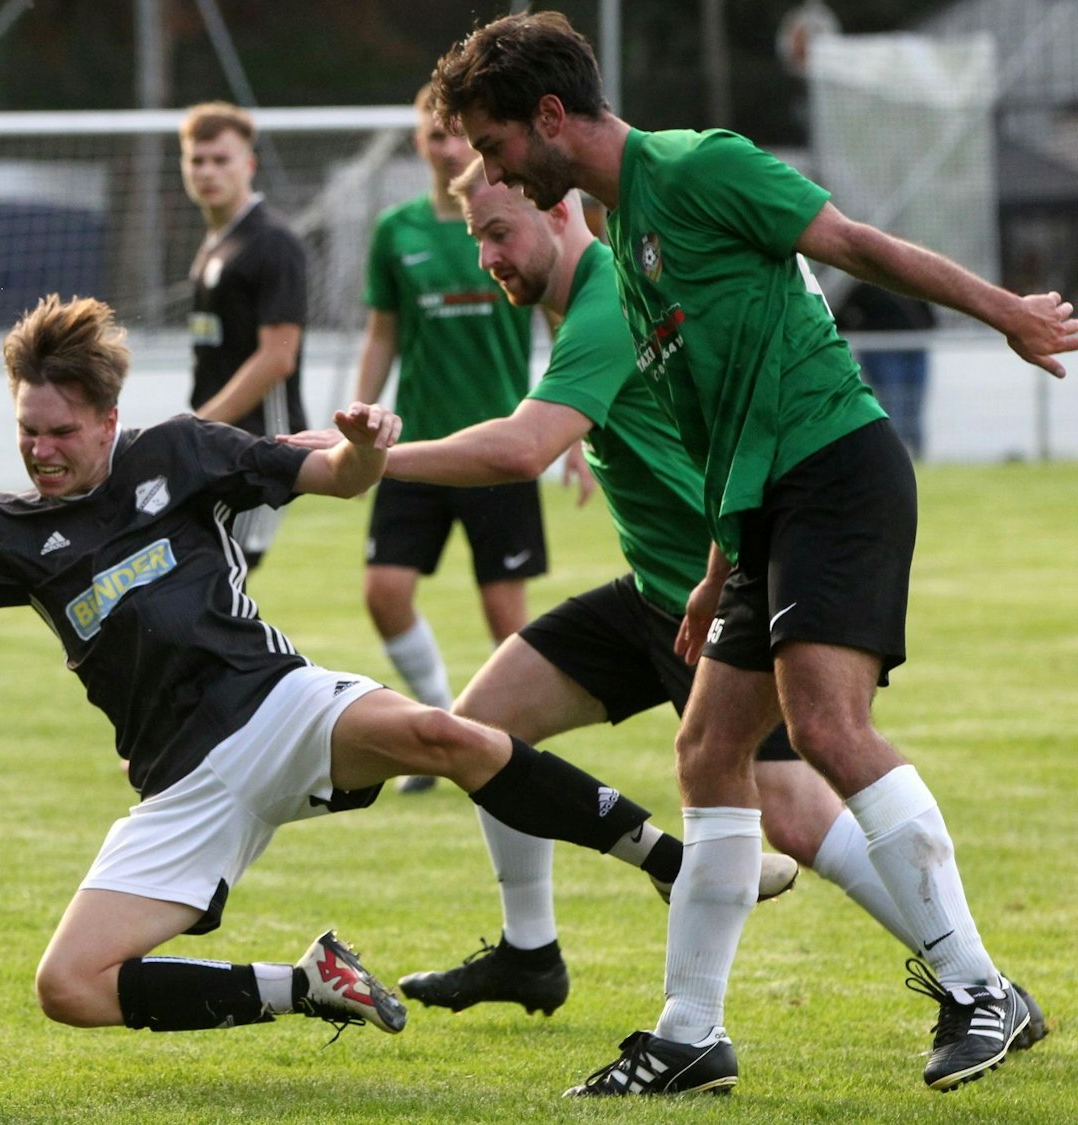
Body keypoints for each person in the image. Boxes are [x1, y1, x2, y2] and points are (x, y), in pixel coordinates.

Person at [0, 294, 750, 1047]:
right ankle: (305, 985)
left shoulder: (179, 452)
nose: (41, 451)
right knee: (70, 986)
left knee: (441, 733)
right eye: (27, 431)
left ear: (106, 419)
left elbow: (327, 475)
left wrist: (363, 451)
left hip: (277, 707)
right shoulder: (7, 535)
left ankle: (667, 864)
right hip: (182, 785)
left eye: (59, 431)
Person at [431, 10, 1075, 1094]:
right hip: (763, 510)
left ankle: (980, 990)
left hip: (837, 466)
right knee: (703, 754)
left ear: (548, 116)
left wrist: (1003, 311)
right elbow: (718, 428)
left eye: (493, 147)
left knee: (826, 726)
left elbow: (857, 247)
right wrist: (716, 572)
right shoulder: (625, 244)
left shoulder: (696, 167)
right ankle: (689, 1037)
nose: (489, 170)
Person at [296, 165, 985, 1027]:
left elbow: (521, 447)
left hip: (716, 593)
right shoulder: (581, 298)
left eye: (498, 231)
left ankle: (974, 979)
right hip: (663, 589)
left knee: (801, 819)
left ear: (557, 206)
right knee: (479, 729)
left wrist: (359, 461)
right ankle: (532, 951)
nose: (485, 256)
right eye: (475, 237)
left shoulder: (609, 294)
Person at [352, 83, 550, 791]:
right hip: (417, 450)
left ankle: (514, 754)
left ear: (476, 139)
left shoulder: (512, 217)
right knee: (384, 590)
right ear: (418, 143)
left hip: (500, 448)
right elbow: (383, 336)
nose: (445, 147)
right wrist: (358, 416)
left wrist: (579, 432)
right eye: (432, 135)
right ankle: (438, 713)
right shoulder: (395, 231)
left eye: (455, 135)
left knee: (505, 614)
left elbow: (559, 319)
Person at [180, 102, 309, 571]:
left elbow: (278, 357)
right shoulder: (214, 244)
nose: (208, 171)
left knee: (214, 578)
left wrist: (195, 426)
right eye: (197, 160)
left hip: (258, 449)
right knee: (197, 585)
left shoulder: (272, 243)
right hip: (216, 445)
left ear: (248, 164)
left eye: (221, 159)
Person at [837, 282, 936, 459]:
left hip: (914, 347)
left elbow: (929, 316)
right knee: (894, 405)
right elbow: (842, 317)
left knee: (913, 405)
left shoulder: (910, 282)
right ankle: (896, 457)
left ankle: (916, 456)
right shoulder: (867, 288)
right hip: (883, 351)